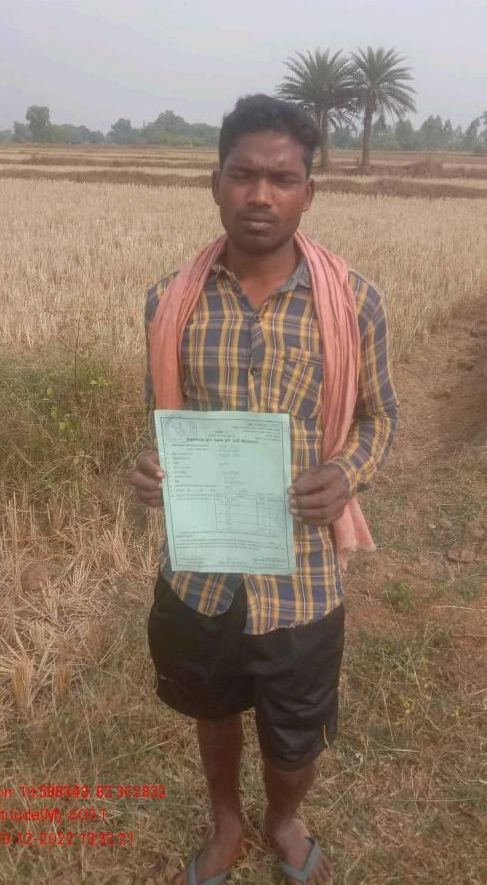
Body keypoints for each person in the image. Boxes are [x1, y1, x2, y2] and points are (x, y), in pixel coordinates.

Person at [128, 94, 399, 885]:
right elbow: (164, 419)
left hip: (303, 581)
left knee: (295, 729)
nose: (259, 194)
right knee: (212, 708)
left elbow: (382, 417)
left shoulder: (354, 303)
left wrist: (345, 475)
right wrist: (152, 468)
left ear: (308, 192)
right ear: (215, 182)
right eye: (243, 174)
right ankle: (227, 821)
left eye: (281, 179)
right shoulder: (169, 301)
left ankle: (283, 820)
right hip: (201, 571)